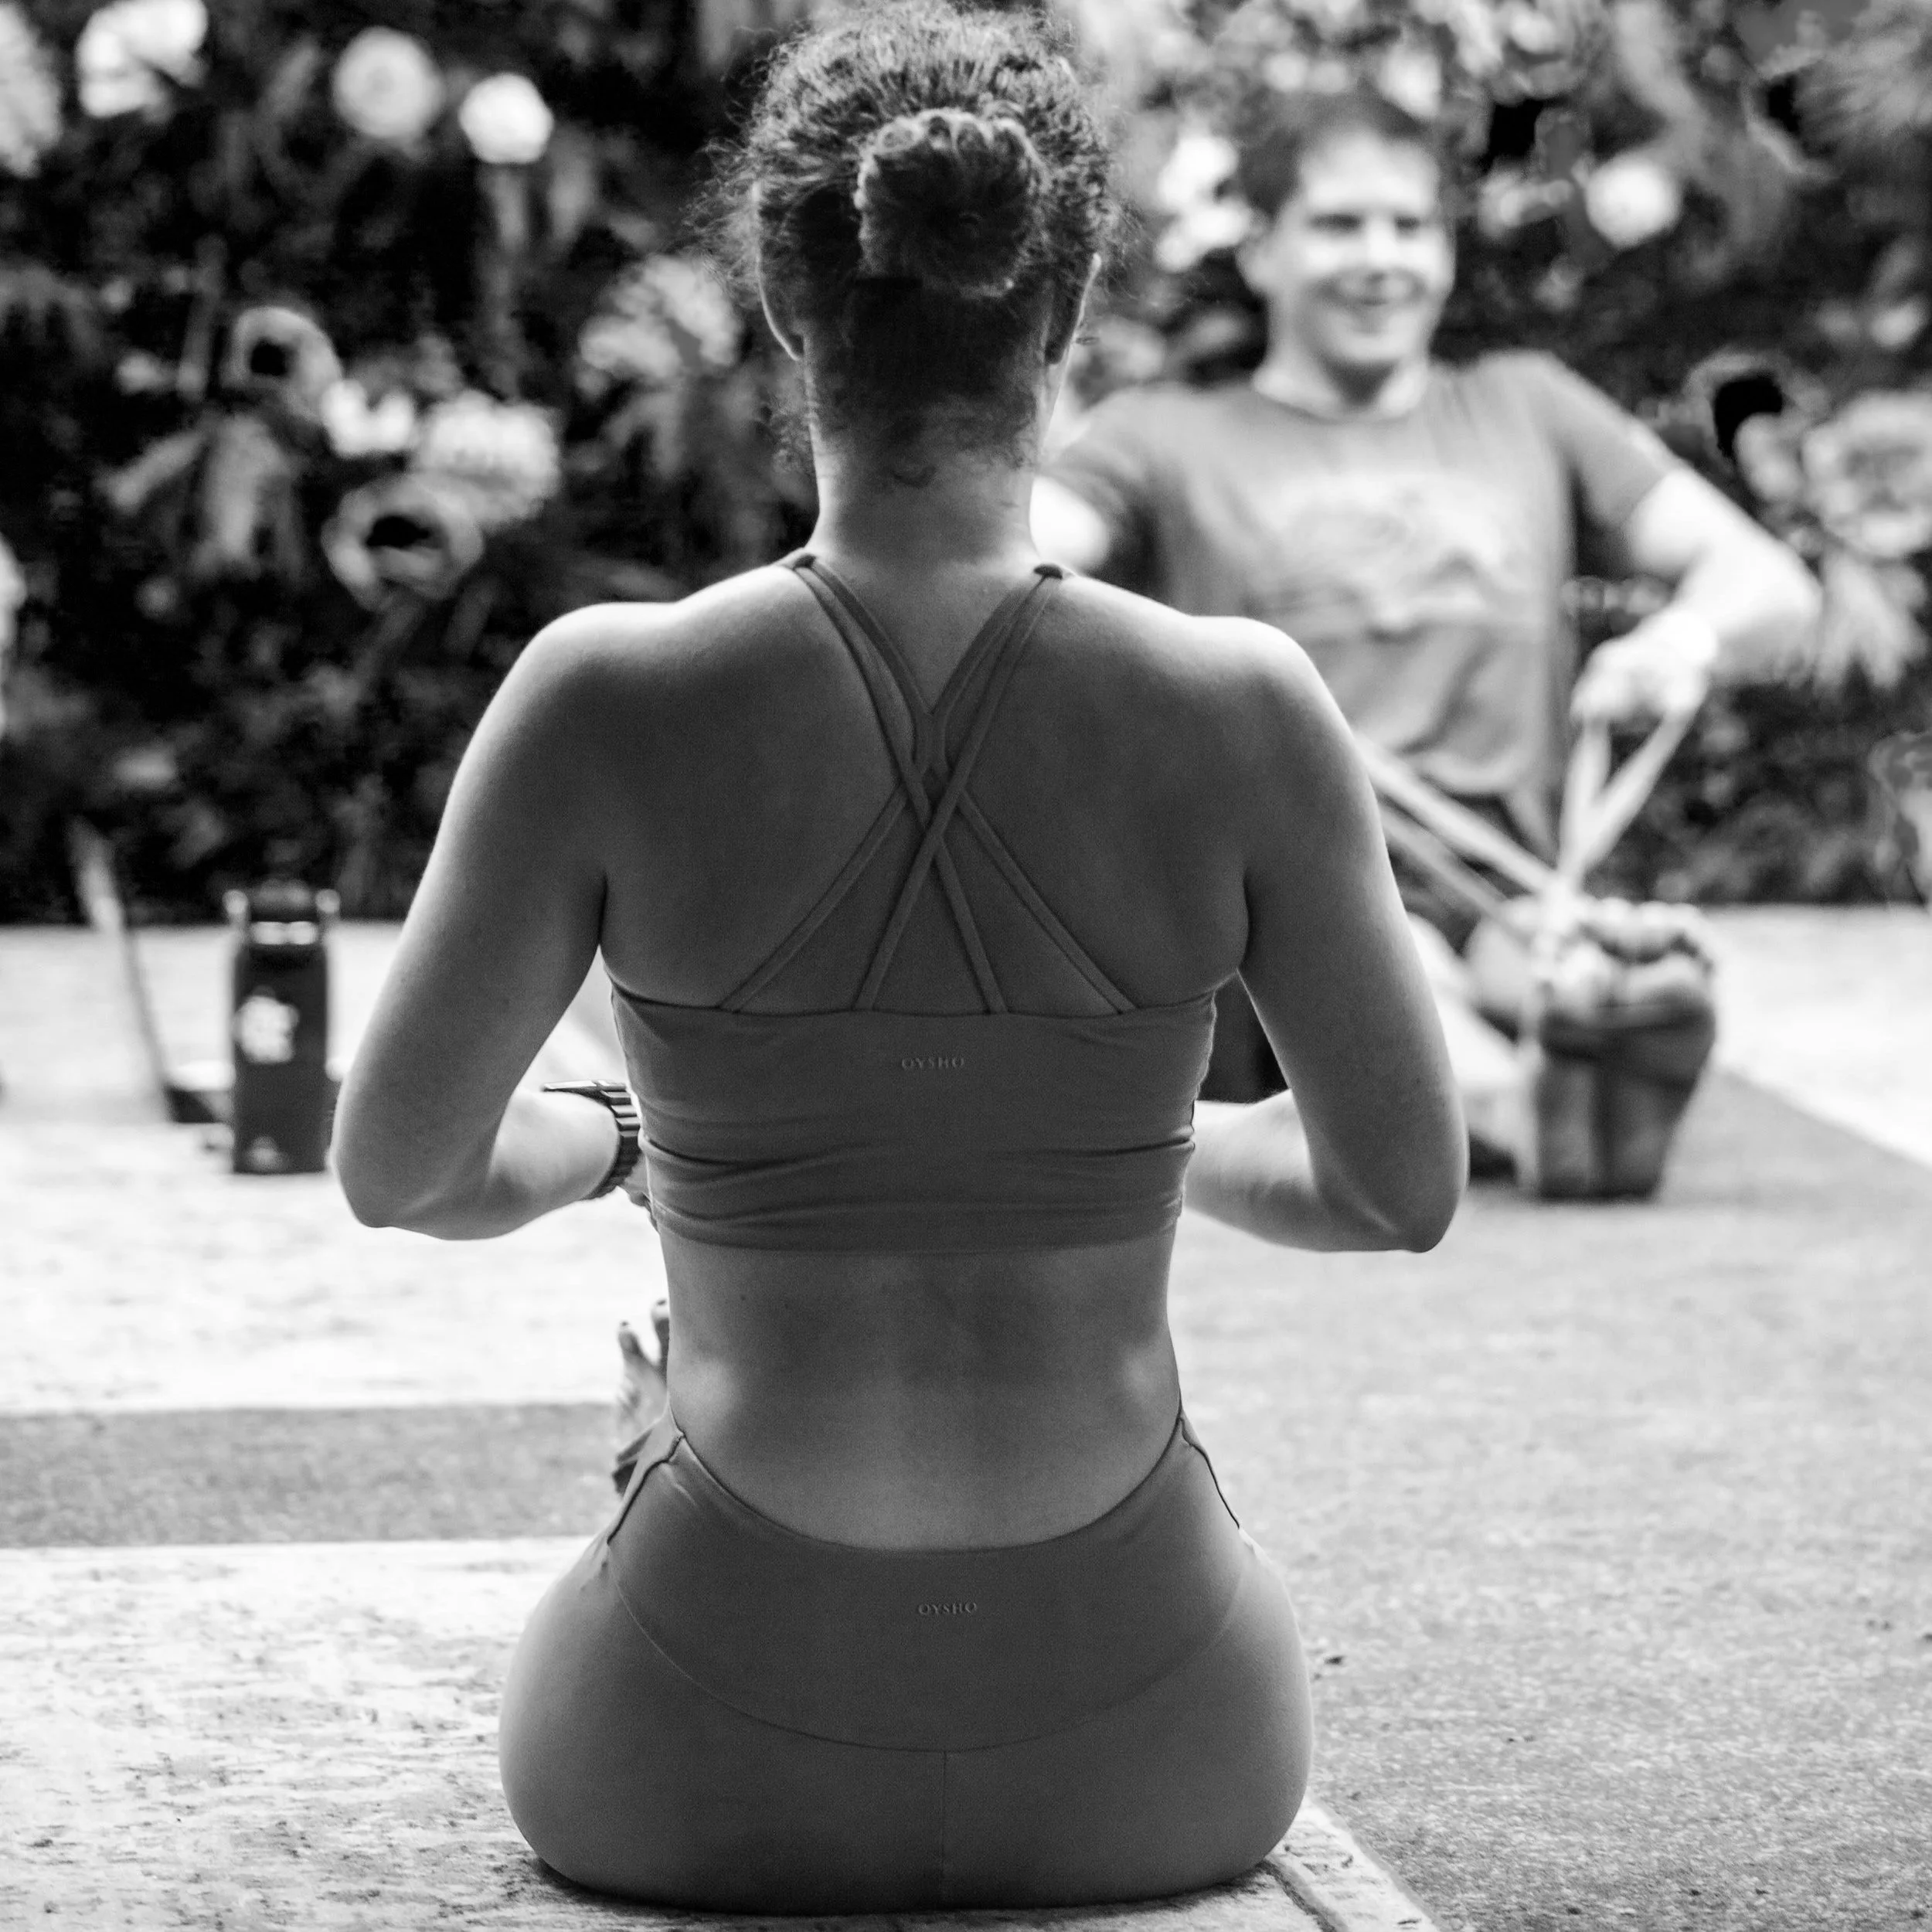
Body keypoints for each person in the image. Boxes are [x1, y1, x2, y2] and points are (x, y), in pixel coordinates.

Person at [332, 5, 1464, 1913]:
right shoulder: (1243, 706)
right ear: (1067, 312)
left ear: (787, 317)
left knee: (639, 1493)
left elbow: (406, 1168)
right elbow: (1390, 1187)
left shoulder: (603, 697)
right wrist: (1112, 1142)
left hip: (684, 1743)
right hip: (1161, 1731)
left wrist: (630, 1143)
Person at [1033, 87, 1821, 1158]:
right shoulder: (1162, 438)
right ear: (1261, 251)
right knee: (1392, 963)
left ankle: (1579, 1030)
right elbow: (1001, 568)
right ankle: (1516, 1104)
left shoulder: (1529, 405)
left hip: (1512, 884)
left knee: (1542, 960)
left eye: (1410, 226)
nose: (1382, 257)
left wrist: (1680, 643)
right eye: (1339, 224)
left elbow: (1768, 582)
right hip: (1278, 911)